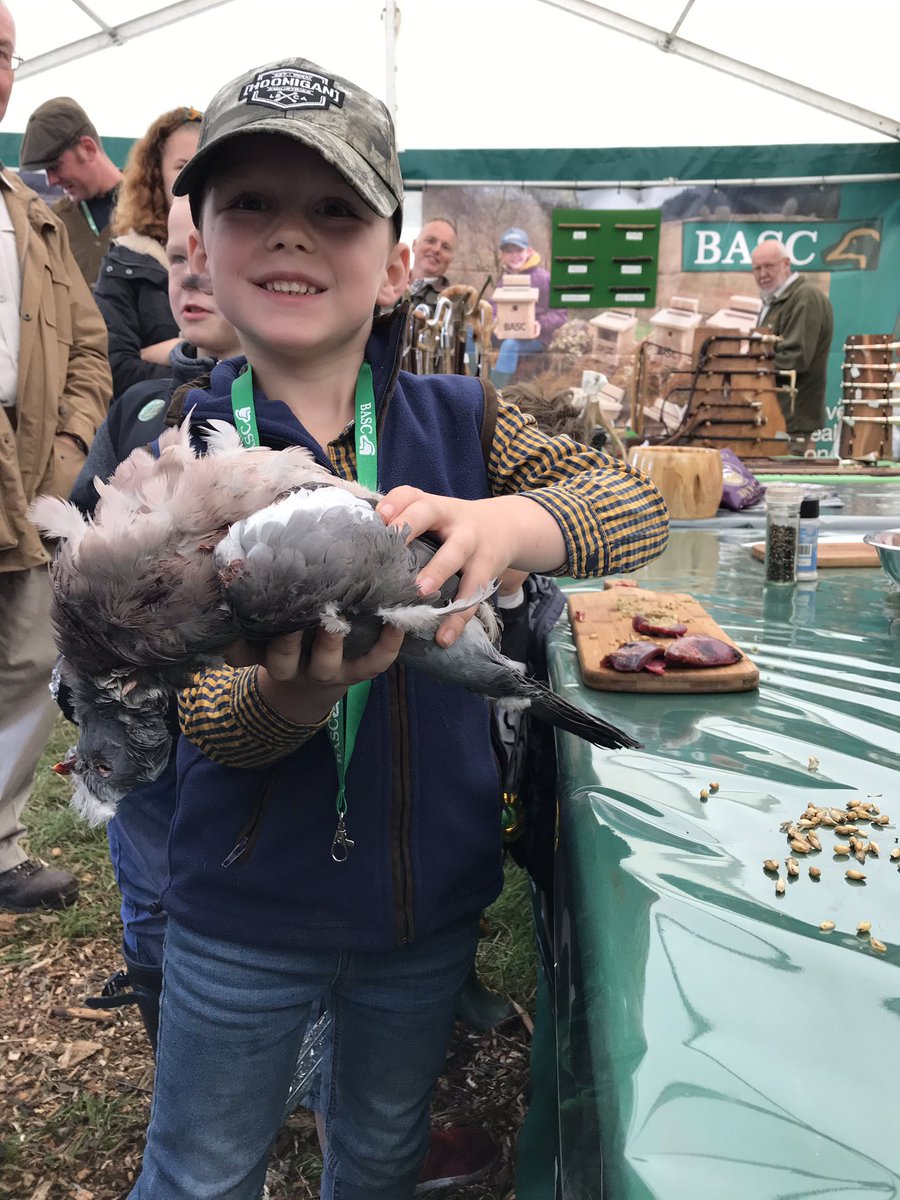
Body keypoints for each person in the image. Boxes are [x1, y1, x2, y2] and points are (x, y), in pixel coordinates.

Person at [122, 54, 667, 1200]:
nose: (291, 236)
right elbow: (199, 717)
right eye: (250, 206)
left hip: (425, 913)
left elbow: (635, 508)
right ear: (203, 248)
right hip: (238, 916)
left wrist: (514, 521)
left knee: (377, 1154)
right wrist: (291, 697)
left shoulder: (460, 419)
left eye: (334, 208)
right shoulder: (172, 469)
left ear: (389, 261)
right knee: (201, 1170)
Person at [0, 0, 111, 913]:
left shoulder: (33, 220)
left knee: (30, 657)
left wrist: (67, 451)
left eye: (0, 53)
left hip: (25, 469)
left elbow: (86, 343)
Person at [93, 106, 201, 396]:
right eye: (183, 166)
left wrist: (175, 350)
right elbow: (116, 369)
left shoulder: (243, 252)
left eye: (205, 163)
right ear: (156, 175)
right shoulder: (125, 260)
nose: (197, 176)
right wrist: (197, 360)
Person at [19, 96, 122, 290]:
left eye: (55, 167)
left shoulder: (153, 207)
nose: (51, 181)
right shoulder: (52, 224)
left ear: (88, 148)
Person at [750, 238, 834, 455]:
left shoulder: (804, 297)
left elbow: (795, 359)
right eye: (757, 268)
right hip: (774, 419)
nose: (762, 274)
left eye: (769, 266)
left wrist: (747, 368)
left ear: (786, 264)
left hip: (792, 424)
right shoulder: (775, 302)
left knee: (789, 487)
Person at [490, 226, 567, 389]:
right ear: (502, 255)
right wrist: (494, 321)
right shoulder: (505, 279)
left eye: (518, 250)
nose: (514, 255)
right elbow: (493, 307)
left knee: (510, 345)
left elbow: (561, 313)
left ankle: (495, 394)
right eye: (509, 251)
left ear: (529, 251)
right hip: (507, 331)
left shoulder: (545, 278)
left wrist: (540, 324)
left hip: (535, 338)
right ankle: (474, 382)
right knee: (470, 333)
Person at [408, 217, 457, 308]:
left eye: (445, 247)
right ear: (414, 245)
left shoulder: (453, 304)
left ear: (451, 259)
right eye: (430, 241)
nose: (436, 249)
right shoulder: (385, 283)